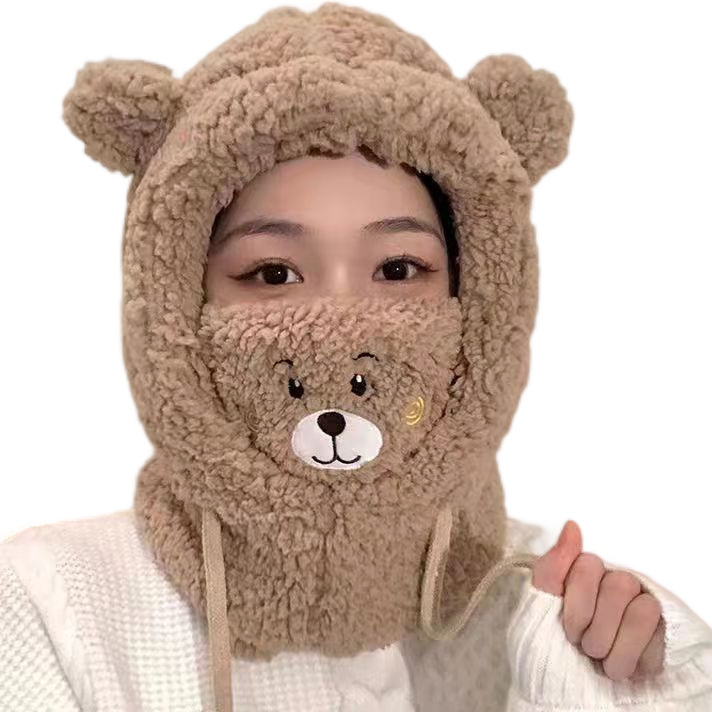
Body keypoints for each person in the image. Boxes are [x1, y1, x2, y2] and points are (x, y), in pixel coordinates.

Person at [1, 4, 711, 712]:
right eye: (273, 272)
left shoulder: (553, 606)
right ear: (178, 301)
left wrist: (603, 695)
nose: (338, 330)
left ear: (479, 301)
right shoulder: (51, 604)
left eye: (399, 269)